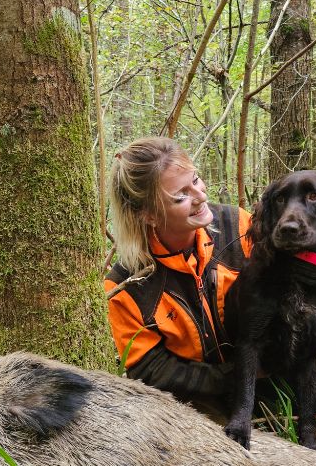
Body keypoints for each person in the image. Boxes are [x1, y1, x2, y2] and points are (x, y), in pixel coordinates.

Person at [105, 136, 252, 418]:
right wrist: (232, 377)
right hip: (199, 403)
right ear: (149, 215)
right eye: (181, 196)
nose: (200, 196)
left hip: (266, 375)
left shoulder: (239, 226)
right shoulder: (125, 287)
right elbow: (150, 367)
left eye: (195, 180)